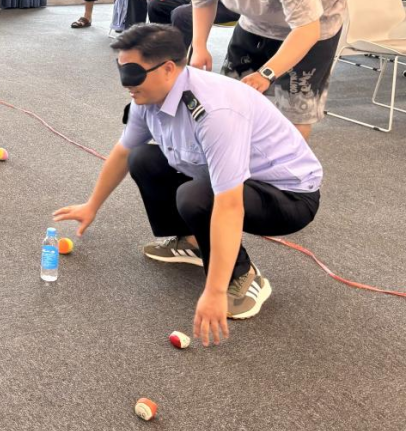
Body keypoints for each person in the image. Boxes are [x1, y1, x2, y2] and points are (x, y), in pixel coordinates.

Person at [53, 25, 322, 342]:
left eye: (133, 73)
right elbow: (123, 152)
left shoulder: (215, 113)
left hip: (288, 195)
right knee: (142, 158)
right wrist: (91, 205)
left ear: (168, 69)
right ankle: (192, 242)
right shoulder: (146, 98)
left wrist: (215, 290)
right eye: (121, 70)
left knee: (194, 196)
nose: (126, 83)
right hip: (231, 181)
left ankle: (243, 275)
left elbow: (229, 205)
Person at [185, 0, 347, 140]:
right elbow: (203, 0)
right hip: (257, 18)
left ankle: (287, 162)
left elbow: (307, 30)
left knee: (294, 108)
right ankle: (238, 155)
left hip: (316, 20)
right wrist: (199, 45)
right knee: (231, 96)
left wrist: (267, 73)